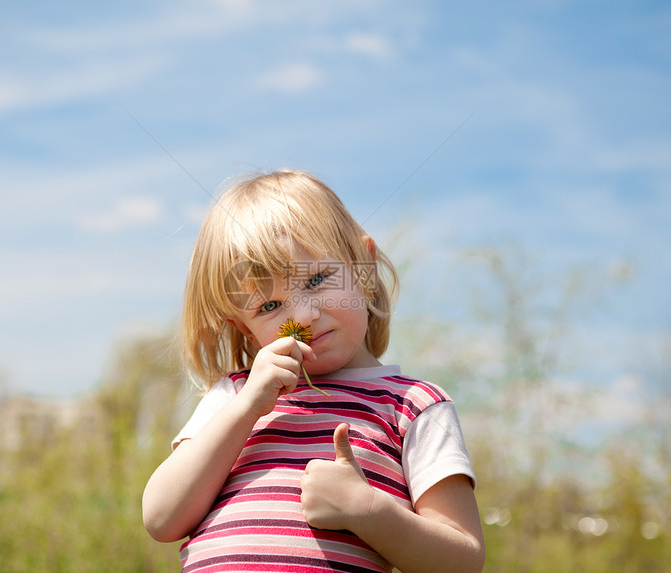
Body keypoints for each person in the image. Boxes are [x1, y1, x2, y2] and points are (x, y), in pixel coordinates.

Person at [142, 169, 485, 573]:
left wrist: (367, 510)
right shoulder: (234, 396)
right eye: (268, 307)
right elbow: (162, 519)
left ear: (364, 266)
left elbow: (461, 561)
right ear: (244, 329)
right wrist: (248, 406)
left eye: (319, 279)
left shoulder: (413, 406)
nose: (303, 315)